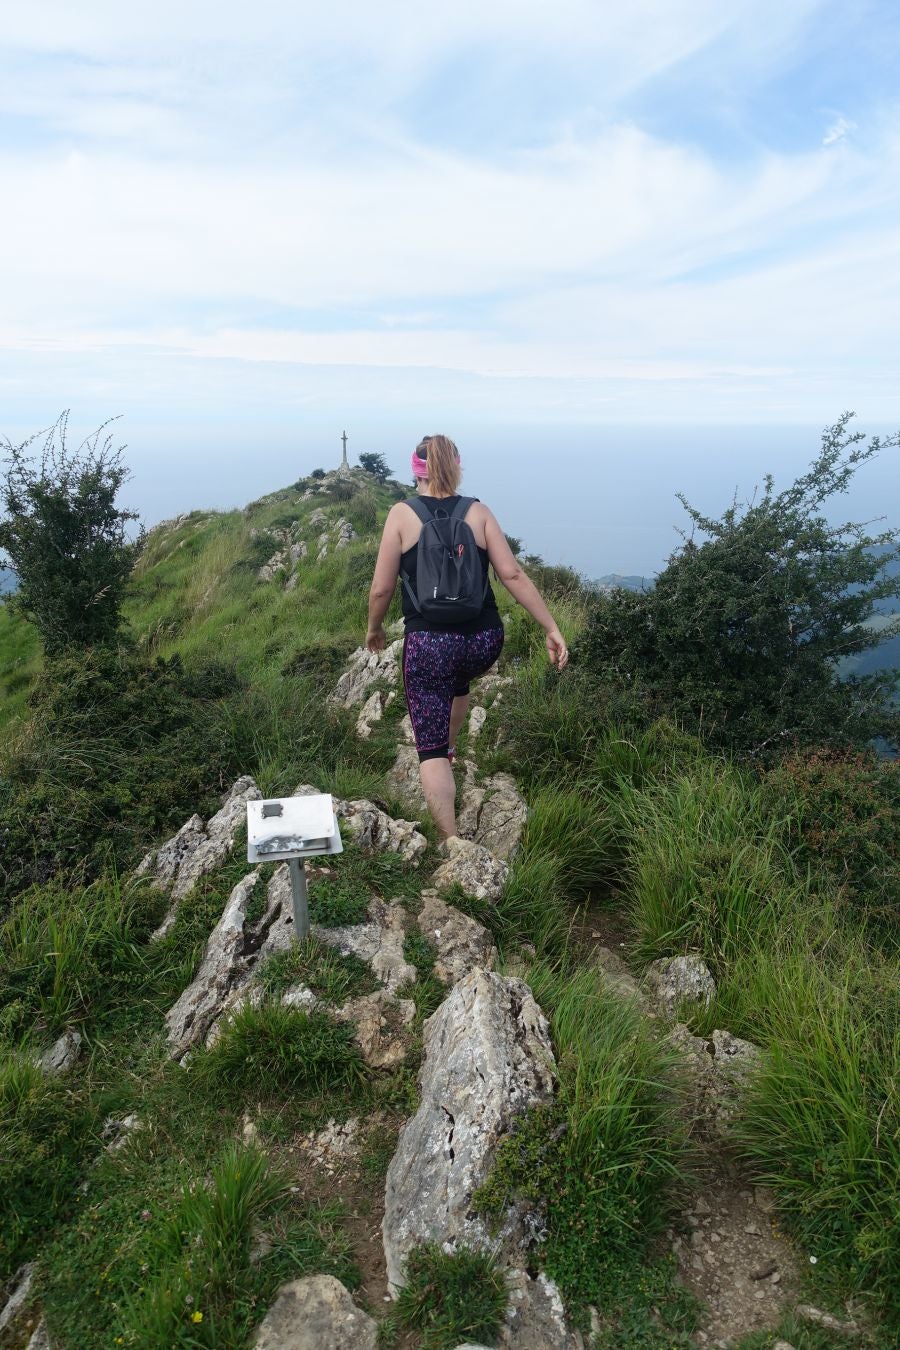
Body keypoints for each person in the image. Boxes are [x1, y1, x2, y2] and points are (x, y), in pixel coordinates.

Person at [366, 434, 569, 839]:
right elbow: (511, 574)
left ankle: (450, 839)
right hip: (483, 641)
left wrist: (373, 627)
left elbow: (381, 589)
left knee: (430, 749)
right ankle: (453, 744)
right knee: (457, 679)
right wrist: (551, 627)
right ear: (457, 466)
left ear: (415, 470)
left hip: (429, 644)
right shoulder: (478, 512)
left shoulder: (401, 515)